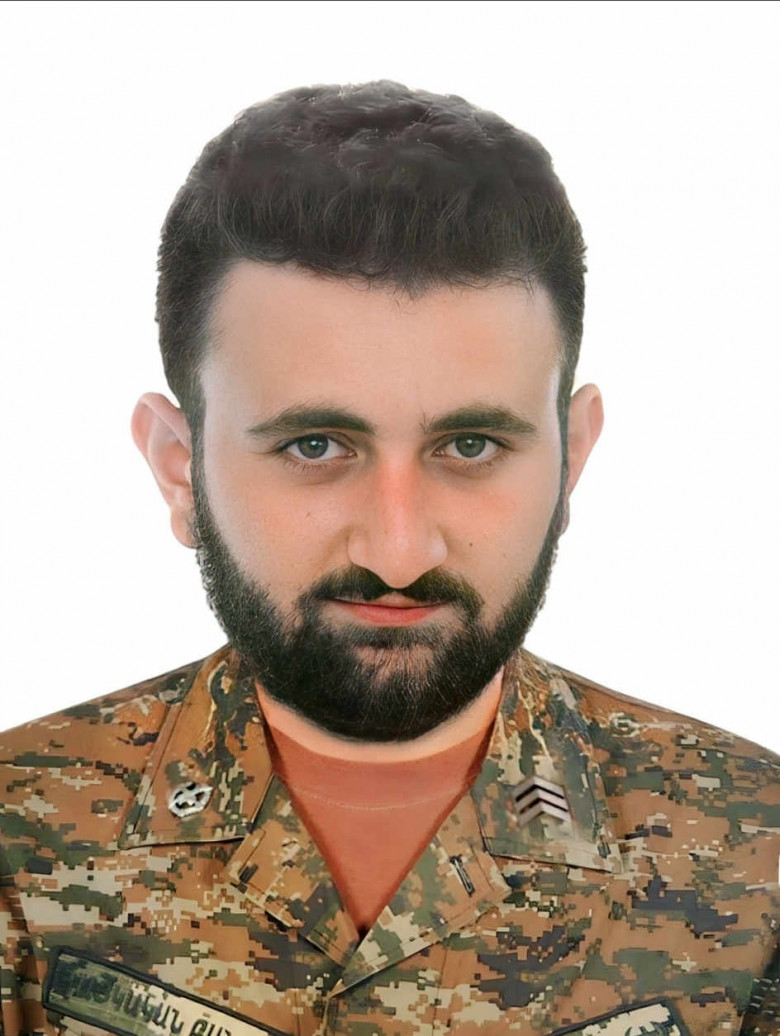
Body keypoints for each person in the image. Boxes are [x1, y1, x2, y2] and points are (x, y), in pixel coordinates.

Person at [0, 81, 776, 1036]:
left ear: (572, 458)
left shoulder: (757, 855)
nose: (400, 551)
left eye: (471, 446)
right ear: (177, 468)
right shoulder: (16, 838)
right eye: (315, 446)